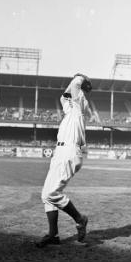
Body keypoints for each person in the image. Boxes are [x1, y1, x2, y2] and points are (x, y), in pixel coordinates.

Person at [36, 73, 92, 248]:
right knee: (46, 195)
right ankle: (53, 235)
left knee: (51, 193)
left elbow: (75, 86)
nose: (69, 98)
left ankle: (80, 219)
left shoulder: (78, 107)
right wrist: (74, 85)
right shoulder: (70, 112)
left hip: (69, 151)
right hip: (60, 152)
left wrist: (81, 77)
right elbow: (64, 96)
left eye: (73, 96)